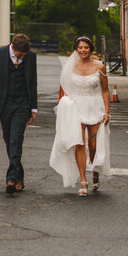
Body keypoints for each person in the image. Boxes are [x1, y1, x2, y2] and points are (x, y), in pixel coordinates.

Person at [49, 36, 111, 196]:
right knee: (79, 143)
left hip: (95, 106)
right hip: (76, 107)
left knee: (94, 145)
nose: (83, 50)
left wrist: (107, 111)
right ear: (76, 49)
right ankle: (83, 180)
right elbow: (64, 88)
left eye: (86, 47)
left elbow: (105, 90)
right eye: (80, 48)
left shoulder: (100, 67)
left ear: (91, 49)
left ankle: (95, 170)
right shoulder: (70, 67)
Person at [0, 33, 38, 194]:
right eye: (20, 55)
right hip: (4, 104)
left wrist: (34, 108)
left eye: (24, 56)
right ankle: (19, 176)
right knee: (9, 141)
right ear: (13, 48)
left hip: (22, 104)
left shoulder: (31, 57)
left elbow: (33, 82)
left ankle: (11, 179)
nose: (22, 58)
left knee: (15, 139)